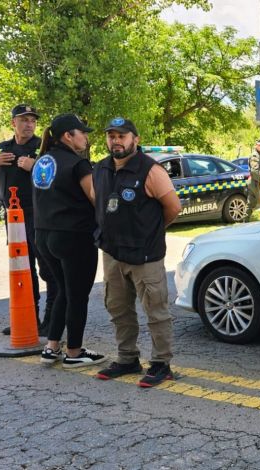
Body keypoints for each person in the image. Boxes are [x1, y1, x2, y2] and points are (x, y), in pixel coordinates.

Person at [93, 117, 182, 387]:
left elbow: (173, 208)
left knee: (155, 310)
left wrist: (151, 231)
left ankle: (161, 363)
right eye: (111, 136)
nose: (116, 140)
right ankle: (127, 357)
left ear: (135, 139)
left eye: (122, 135)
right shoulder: (100, 168)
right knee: (118, 308)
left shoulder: (150, 170)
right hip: (113, 252)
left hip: (145, 255)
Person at [33, 114, 105, 368]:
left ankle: (51, 346)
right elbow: (96, 198)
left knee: (63, 289)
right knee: (77, 296)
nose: (86, 136)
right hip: (74, 236)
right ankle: (74, 352)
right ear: (68, 136)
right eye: (82, 132)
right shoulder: (78, 164)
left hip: (43, 236)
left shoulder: (42, 160)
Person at [0, 104, 56, 336]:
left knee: (47, 268)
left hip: (37, 215)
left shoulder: (43, 147)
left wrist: (35, 166)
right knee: (22, 269)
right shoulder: (4, 147)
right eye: (24, 120)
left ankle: (51, 320)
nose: (29, 124)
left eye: (32, 120)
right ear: (13, 123)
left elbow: (54, 178)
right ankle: (27, 317)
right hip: (13, 216)